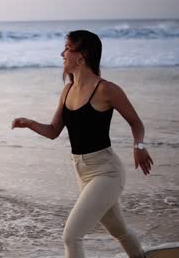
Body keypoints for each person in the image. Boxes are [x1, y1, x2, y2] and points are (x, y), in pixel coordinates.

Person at [11, 30, 153, 258]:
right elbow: (53, 131)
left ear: (82, 54)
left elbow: (136, 123)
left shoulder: (106, 89)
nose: (62, 53)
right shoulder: (67, 90)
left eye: (67, 48)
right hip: (82, 172)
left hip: (107, 172)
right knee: (119, 230)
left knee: (71, 235)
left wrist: (139, 146)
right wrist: (29, 123)